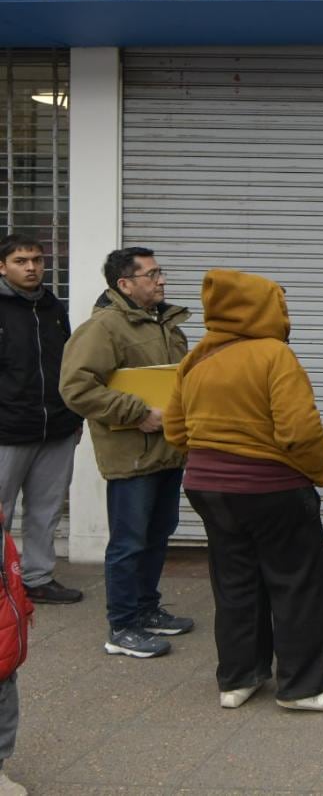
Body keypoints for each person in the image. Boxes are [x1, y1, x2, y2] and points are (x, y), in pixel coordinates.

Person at [165, 269, 323, 712]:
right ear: (258, 308)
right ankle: (304, 686)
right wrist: (320, 473)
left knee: (234, 583)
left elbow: (175, 431)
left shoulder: (196, 360)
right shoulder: (274, 355)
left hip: (207, 489)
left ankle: (237, 680)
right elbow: (299, 431)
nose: (285, 314)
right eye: (279, 304)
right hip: (271, 489)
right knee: (297, 584)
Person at [59, 247, 194, 658]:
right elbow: (76, 388)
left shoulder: (166, 323)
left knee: (157, 535)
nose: (161, 281)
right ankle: (121, 627)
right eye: (152, 275)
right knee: (129, 542)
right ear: (125, 284)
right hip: (132, 454)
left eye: (160, 273)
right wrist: (137, 413)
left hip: (169, 449)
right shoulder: (104, 328)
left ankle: (146, 609)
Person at [0, 234, 84, 605]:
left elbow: (67, 365)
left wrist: (74, 416)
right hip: (7, 430)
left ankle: (37, 578)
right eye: (21, 260)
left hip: (57, 429)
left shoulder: (53, 307)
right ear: (2, 267)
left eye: (36, 259)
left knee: (46, 510)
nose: (32, 267)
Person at [0, 506, 35, 796]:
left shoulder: (3, 535)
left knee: (5, 706)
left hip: (7, 642)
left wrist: (24, 607)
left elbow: (12, 579)